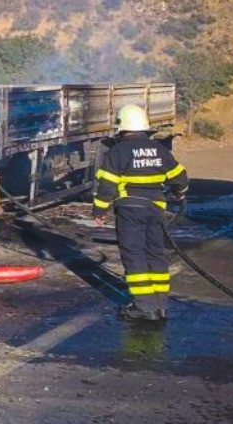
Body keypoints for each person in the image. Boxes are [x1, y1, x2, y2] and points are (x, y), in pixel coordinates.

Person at [93, 104, 189, 322]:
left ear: (122, 128)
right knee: (155, 253)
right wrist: (180, 193)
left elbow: (107, 184)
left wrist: (100, 209)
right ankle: (160, 305)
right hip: (156, 210)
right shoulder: (160, 150)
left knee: (134, 254)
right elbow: (180, 177)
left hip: (130, 210)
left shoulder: (118, 151)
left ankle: (144, 307)